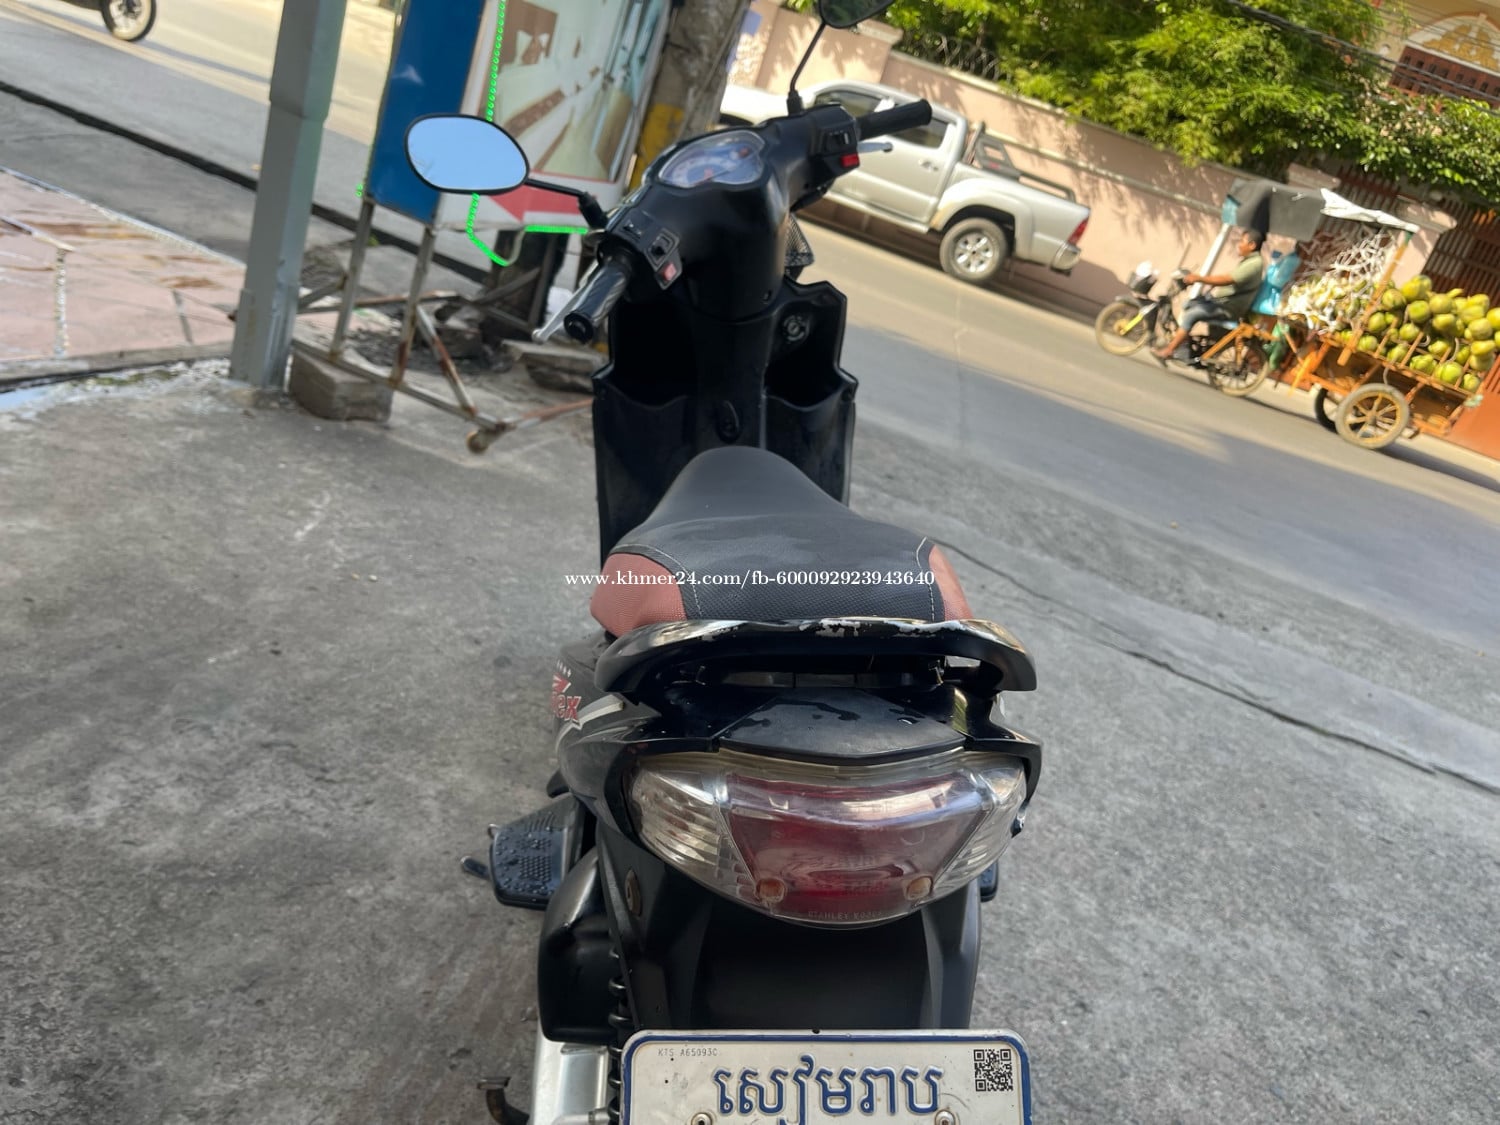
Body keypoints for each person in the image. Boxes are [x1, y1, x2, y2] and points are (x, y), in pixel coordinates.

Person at [1151, 229, 1266, 362]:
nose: (1239, 245)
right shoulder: (1249, 261)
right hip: (1222, 303)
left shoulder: (1254, 263)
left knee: (1192, 314)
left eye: (1242, 241)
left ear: (1252, 245)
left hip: (1228, 308)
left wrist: (1200, 279)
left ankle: (1169, 350)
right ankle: (1183, 345)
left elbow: (1228, 279)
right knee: (1189, 304)